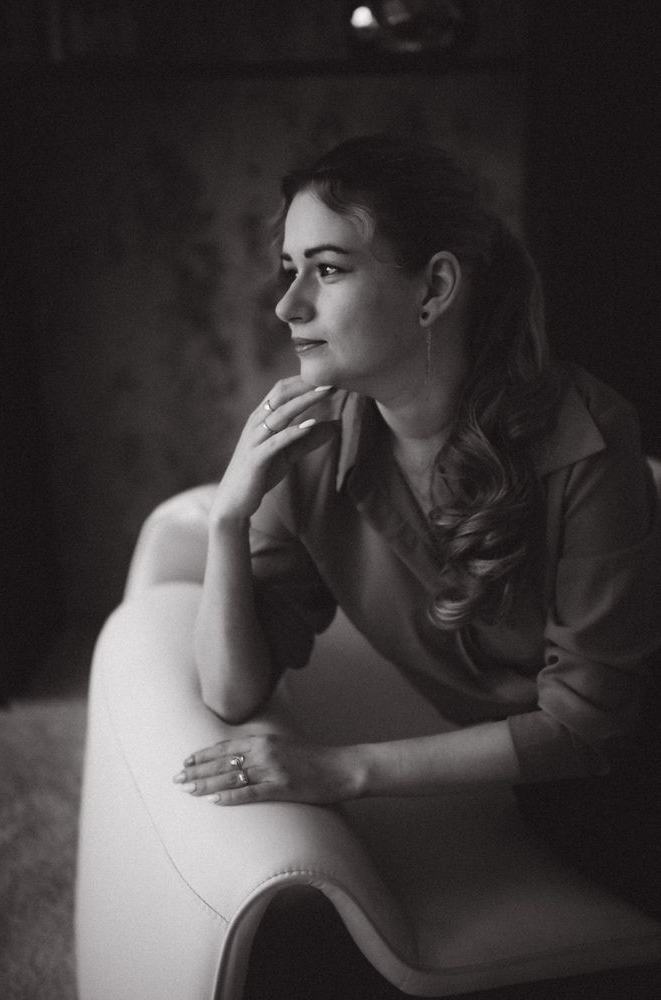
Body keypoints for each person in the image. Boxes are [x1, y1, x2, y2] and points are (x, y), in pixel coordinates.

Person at [172, 134, 661, 917]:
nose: (287, 305)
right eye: (289, 269)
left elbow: (590, 727)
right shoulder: (308, 452)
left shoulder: (584, 436)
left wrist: (344, 768)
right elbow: (232, 692)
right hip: (558, 786)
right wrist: (230, 518)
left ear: (432, 288)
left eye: (327, 269)